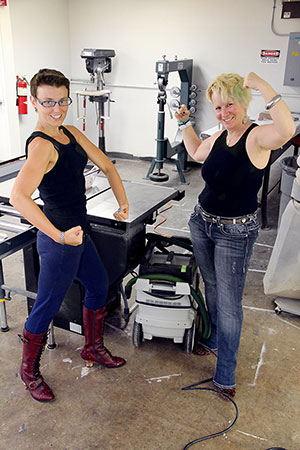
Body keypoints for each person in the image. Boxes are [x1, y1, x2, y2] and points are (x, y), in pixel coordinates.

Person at [10, 68, 129, 403]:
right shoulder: (40, 146)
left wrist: (123, 203)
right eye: (48, 102)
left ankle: (91, 348)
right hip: (60, 240)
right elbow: (19, 197)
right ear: (34, 102)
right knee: (46, 306)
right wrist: (60, 237)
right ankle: (28, 372)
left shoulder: (71, 133)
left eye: (62, 100)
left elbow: (107, 166)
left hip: (80, 231)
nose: (56, 108)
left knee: (97, 284)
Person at [175, 72, 295, 399]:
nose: (224, 112)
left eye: (229, 105)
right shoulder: (220, 135)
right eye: (217, 107)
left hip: (235, 231)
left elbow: (288, 130)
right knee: (211, 285)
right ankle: (213, 339)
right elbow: (197, 153)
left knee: (229, 304)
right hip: (202, 222)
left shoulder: (257, 137)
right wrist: (184, 123)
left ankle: (225, 374)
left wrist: (263, 85)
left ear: (243, 104)